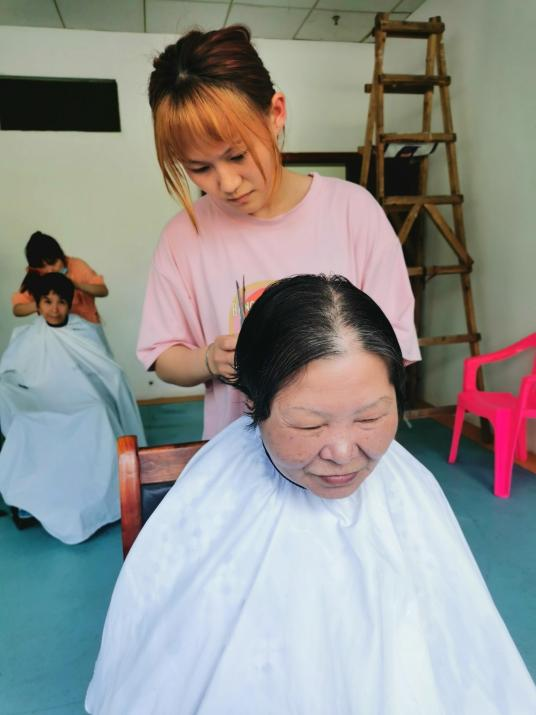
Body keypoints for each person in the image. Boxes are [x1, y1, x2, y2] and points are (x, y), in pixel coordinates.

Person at [86, 275, 535, 714]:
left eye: (370, 418)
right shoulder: (210, 496)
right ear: (253, 406)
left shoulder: (410, 491)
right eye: (308, 424)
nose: (342, 453)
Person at [137, 24, 421, 439]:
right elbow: (164, 356)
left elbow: (397, 347)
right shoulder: (184, 235)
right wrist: (209, 360)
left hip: (347, 449)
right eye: (200, 169)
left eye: (237, 155)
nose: (228, 183)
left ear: (276, 113)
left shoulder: (353, 211)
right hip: (239, 456)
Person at [0, 273, 146, 544]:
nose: (54, 309)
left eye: (61, 302)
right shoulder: (27, 335)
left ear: (70, 304)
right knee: (26, 421)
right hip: (39, 397)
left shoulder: (83, 331)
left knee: (96, 414)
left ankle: (100, 499)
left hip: (83, 399)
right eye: (47, 302)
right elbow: (9, 374)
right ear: (38, 304)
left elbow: (107, 372)